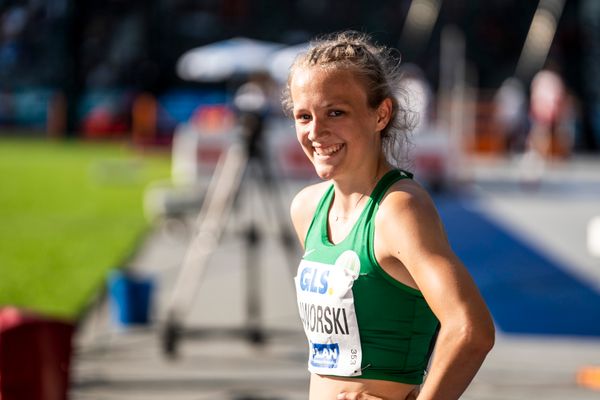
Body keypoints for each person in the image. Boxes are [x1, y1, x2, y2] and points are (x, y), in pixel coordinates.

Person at [283, 31, 494, 400]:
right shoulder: (307, 207)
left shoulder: (399, 209)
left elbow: (470, 328)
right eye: (304, 116)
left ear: (381, 113)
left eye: (336, 112)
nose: (316, 132)